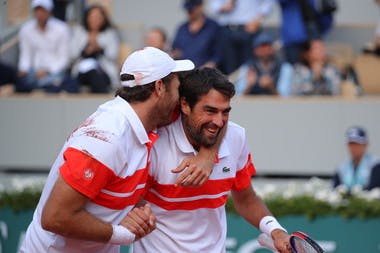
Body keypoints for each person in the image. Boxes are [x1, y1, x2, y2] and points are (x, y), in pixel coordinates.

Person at [19, 47, 218, 253]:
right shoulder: (108, 138)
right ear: (159, 87)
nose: (180, 96)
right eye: (177, 86)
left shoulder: (146, 119)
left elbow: (216, 118)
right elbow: (55, 217)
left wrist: (207, 155)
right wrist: (120, 234)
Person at [133, 67, 291, 253]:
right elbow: (129, 201)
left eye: (225, 112)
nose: (218, 121)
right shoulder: (154, 142)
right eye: (210, 111)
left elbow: (247, 200)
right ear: (184, 105)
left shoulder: (236, 137)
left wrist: (276, 230)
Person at [16, 0, 77, 93]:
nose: (40, 14)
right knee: (22, 82)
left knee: (61, 82)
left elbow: (64, 58)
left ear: (50, 11)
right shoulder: (26, 29)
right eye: (37, 10)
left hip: (55, 72)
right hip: (33, 73)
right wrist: (24, 70)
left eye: (43, 10)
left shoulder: (62, 29)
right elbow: (25, 55)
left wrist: (47, 71)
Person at [208, 0, 275, 74]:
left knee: (249, 68)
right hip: (226, 29)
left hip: (249, 28)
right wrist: (223, 7)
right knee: (228, 70)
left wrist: (258, 19)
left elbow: (269, 2)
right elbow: (213, 7)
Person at [70, 4, 120, 93]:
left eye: (98, 17)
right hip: (81, 70)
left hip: (103, 70)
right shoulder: (79, 32)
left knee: (97, 76)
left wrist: (99, 48)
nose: (95, 20)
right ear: (87, 17)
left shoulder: (110, 33)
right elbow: (72, 55)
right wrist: (85, 50)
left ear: (104, 19)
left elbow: (113, 55)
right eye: (92, 16)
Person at [277, 0, 335, 64]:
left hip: (313, 34)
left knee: (317, 61)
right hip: (293, 40)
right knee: (293, 66)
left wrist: (327, 11)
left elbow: (324, 21)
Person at [171, 0, 223, 68]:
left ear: (200, 7)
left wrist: (211, 65)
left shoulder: (214, 27)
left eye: (192, 9)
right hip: (184, 72)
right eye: (188, 10)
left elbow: (219, 53)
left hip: (205, 73)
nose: (189, 12)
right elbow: (175, 49)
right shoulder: (182, 28)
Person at [333, 126, 380, 191]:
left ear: (365, 145)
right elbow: (336, 189)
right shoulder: (342, 168)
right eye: (351, 144)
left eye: (357, 144)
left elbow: (374, 189)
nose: (354, 148)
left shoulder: (376, 164)